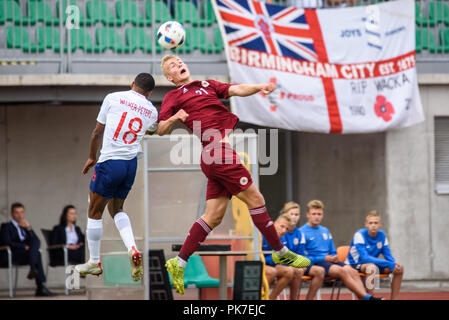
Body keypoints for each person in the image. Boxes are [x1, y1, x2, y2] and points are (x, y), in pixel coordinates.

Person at [157, 55, 310, 295]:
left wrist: (259, 87)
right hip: (217, 152)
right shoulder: (173, 96)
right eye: (173, 65)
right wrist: (176, 117)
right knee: (256, 200)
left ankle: (180, 262)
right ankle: (282, 253)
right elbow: (160, 129)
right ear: (169, 77)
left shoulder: (206, 85)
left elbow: (236, 89)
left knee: (213, 216)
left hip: (215, 155)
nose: (179, 64)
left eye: (179, 61)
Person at [74, 73, 158, 282]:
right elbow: (151, 131)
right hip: (130, 164)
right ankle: (132, 248)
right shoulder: (152, 110)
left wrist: (92, 157)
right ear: (149, 93)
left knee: (94, 211)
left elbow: (96, 133)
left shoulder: (113, 97)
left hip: (110, 162)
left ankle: (94, 261)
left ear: (132, 84)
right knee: (117, 209)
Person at [299, 200, 382, 300]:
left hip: (330, 262)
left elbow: (332, 250)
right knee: (341, 271)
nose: (317, 216)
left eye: (319, 214)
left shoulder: (325, 230)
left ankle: (364, 298)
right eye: (314, 214)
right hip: (317, 263)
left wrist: (335, 257)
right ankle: (367, 297)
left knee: (353, 272)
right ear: (308, 214)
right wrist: (324, 258)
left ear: (323, 215)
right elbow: (302, 257)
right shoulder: (302, 232)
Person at [0, 203, 55, 296]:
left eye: (22, 212)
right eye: (17, 213)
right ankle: (40, 287)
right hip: (13, 254)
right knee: (37, 253)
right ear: (12, 214)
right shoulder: (6, 226)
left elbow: (37, 241)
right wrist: (23, 247)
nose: (20, 215)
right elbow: (7, 242)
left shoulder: (25, 227)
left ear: (24, 213)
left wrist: (29, 228)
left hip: (26, 255)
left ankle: (34, 271)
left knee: (36, 247)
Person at [347, 210, 403, 300]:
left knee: (399, 269)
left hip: (372, 263)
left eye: (376, 223)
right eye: (371, 223)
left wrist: (393, 263)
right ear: (366, 224)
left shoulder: (382, 235)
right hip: (354, 264)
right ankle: (370, 298)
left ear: (380, 224)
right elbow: (365, 258)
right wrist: (388, 263)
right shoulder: (359, 234)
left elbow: (387, 255)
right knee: (371, 268)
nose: (373, 225)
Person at [282, 201, 325, 300]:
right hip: (282, 263)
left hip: (295, 263)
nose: (294, 217)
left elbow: (300, 254)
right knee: (298, 270)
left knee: (319, 271)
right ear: (285, 215)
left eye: (296, 214)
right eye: (291, 214)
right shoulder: (282, 230)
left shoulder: (299, 233)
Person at [262, 213, 303, 300]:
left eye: (287, 229)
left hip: (272, 265)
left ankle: (271, 298)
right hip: (259, 264)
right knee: (271, 272)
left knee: (290, 271)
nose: (284, 231)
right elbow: (257, 257)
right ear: (274, 223)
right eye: (282, 226)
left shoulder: (283, 239)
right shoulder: (263, 235)